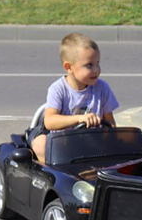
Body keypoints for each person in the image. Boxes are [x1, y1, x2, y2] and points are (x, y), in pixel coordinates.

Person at [30, 33, 119, 162]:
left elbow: (110, 123)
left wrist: (109, 140)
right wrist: (79, 119)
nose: (96, 70)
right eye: (89, 65)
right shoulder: (58, 89)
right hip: (63, 146)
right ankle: (52, 172)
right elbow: (49, 121)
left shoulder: (102, 88)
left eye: (97, 63)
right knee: (41, 143)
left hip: (92, 144)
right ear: (69, 67)